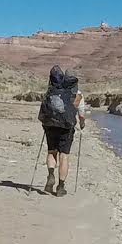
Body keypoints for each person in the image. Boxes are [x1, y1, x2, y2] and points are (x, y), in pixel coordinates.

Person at [37, 66, 85, 197]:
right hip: (66, 127)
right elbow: (80, 112)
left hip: (50, 124)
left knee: (52, 151)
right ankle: (60, 187)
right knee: (64, 155)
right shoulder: (77, 94)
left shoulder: (52, 90)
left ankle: (51, 174)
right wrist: (82, 122)